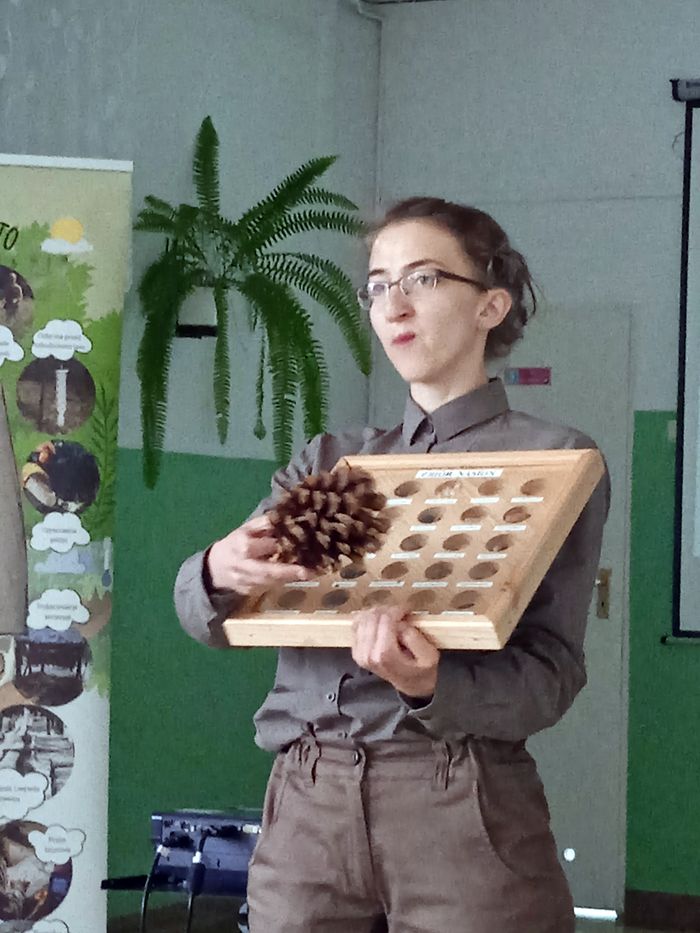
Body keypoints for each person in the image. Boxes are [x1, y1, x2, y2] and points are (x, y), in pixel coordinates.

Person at [174, 197, 610, 933]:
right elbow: (204, 617)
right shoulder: (330, 460)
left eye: (423, 279)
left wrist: (431, 685)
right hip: (306, 803)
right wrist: (217, 569)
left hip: (458, 800)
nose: (394, 305)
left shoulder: (552, 460)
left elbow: (550, 675)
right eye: (377, 286)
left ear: (491, 305)